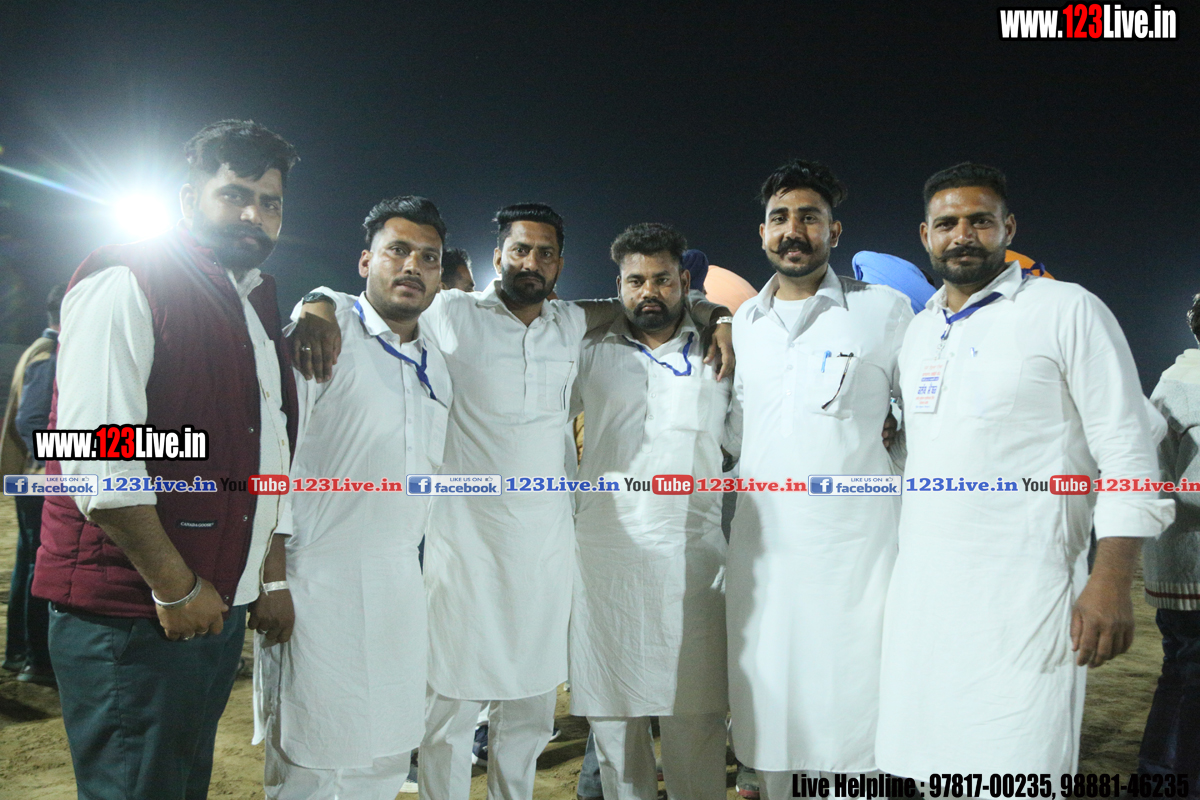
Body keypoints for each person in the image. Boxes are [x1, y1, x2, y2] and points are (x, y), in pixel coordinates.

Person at [292, 203, 733, 800]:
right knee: (449, 710)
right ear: (498, 256)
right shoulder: (451, 312)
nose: (531, 262)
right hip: (463, 545)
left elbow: (655, 301)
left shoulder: (571, 323)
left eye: (545, 253)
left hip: (547, 549)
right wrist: (315, 300)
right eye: (520, 250)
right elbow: (366, 299)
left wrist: (717, 314)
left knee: (530, 712)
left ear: (559, 265)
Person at [876, 162, 1173, 778]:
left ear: (1008, 228)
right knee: (927, 765)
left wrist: (1111, 578)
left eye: (979, 221)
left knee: (1015, 768)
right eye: (947, 224)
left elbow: (1129, 450)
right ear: (926, 236)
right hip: (924, 600)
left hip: (1027, 598)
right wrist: (894, 441)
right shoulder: (921, 331)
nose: (963, 235)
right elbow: (935, 455)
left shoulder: (1067, 310)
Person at [32, 119, 300, 799]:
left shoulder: (251, 299)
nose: (253, 215)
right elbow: (97, 454)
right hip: (135, 612)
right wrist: (174, 586)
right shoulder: (128, 277)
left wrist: (262, 578)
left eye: (269, 202)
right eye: (234, 195)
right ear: (187, 198)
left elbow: (265, 448)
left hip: (209, 606)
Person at [253, 196, 452, 799]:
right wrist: (272, 579)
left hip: (398, 584)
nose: (412, 266)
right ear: (366, 261)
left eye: (429, 257)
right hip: (316, 582)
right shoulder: (325, 335)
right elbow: (274, 461)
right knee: (313, 759)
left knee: (387, 753)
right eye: (398, 251)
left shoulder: (436, 361)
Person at [726, 159, 912, 800]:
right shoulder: (745, 323)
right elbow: (739, 431)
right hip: (764, 556)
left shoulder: (883, 311)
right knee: (773, 712)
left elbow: (925, 419)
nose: (793, 230)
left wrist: (895, 449)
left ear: (835, 231)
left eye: (809, 217)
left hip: (855, 560)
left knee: (850, 714)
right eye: (780, 218)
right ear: (762, 233)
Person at [570, 222, 740, 800]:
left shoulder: (720, 352)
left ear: (684, 282)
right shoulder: (588, 349)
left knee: (696, 720)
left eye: (663, 280)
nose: (649, 292)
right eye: (635, 280)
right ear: (618, 286)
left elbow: (748, 438)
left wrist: (718, 317)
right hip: (604, 561)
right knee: (615, 726)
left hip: (693, 561)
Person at [1138, 294, 1200, 784]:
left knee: (1180, 675)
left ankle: (1157, 778)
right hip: (1193, 566)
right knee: (1189, 683)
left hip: (1173, 561)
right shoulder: (1196, 388)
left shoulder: (1176, 377)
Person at [1, 283, 65, 685]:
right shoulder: (51, 353)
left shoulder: (37, 349)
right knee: (40, 567)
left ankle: (19, 654)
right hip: (41, 481)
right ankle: (37, 659)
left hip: (31, 479)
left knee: (28, 564)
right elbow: (33, 420)